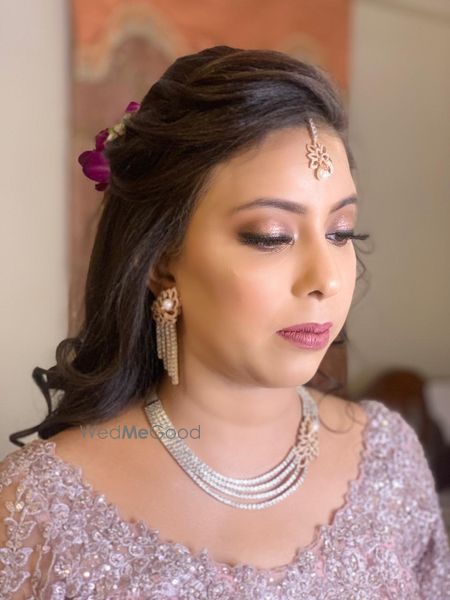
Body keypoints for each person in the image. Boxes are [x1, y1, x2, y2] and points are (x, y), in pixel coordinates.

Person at [1, 45, 449, 599]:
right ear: (161, 261)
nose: (327, 280)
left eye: (341, 232)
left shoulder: (388, 459)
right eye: (270, 236)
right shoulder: (39, 508)